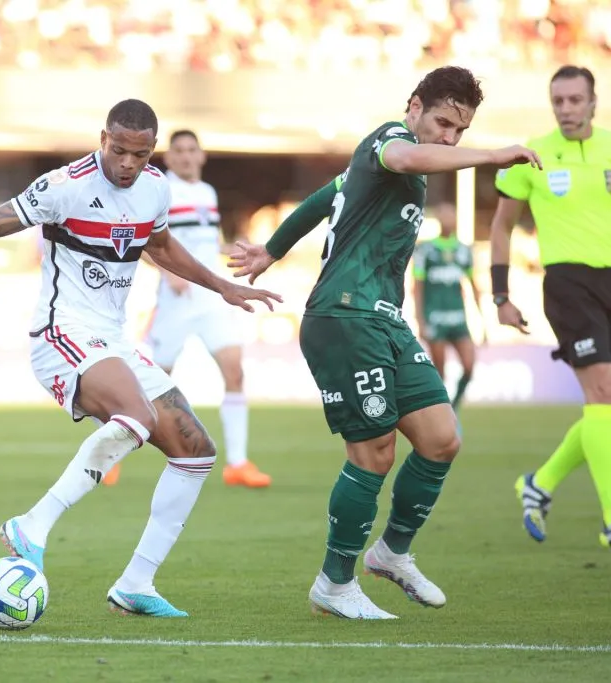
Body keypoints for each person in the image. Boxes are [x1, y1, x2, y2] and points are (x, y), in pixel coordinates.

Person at [0, 99, 280, 617]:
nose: (129, 163)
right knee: (139, 417)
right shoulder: (66, 185)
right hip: (61, 335)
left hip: (112, 340)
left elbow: (161, 246)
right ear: (103, 138)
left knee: (195, 450)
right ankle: (32, 524)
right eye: (120, 151)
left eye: (141, 153)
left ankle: (136, 584)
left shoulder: (154, 186)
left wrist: (221, 287)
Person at [229, 66, 540, 619]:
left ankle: (392, 552)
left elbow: (325, 196)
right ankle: (335, 583)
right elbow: (404, 157)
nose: (449, 138)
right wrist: (491, 155)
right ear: (414, 106)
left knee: (442, 438)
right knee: (373, 453)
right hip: (343, 316)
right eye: (443, 122)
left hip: (384, 319)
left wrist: (271, 250)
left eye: (460, 131)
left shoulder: (387, 168)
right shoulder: (389, 142)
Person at [104, 130, 269, 489]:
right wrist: (166, 271)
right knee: (149, 382)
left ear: (202, 155)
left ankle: (238, 463)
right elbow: (137, 239)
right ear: (168, 157)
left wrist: (232, 252)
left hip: (209, 300)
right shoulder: (159, 190)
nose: (186, 157)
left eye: (192, 150)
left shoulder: (207, 194)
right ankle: (109, 455)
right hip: (175, 301)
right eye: (178, 151)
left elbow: (202, 245)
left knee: (234, 372)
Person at [490, 65, 611, 547]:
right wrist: (500, 294)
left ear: (592, 102)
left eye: (574, 100)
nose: (566, 109)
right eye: (558, 100)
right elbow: (501, 227)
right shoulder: (531, 155)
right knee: (602, 395)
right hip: (567, 284)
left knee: (605, 410)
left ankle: (538, 484)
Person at [412, 201, 487, 412]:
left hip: (458, 319)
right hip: (435, 318)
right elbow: (416, 288)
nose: (448, 219)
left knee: (469, 367)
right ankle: (440, 413)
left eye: (451, 215)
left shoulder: (464, 251)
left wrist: (483, 323)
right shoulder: (426, 250)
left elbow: (474, 287)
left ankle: (453, 408)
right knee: (440, 373)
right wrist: (420, 321)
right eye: (444, 215)